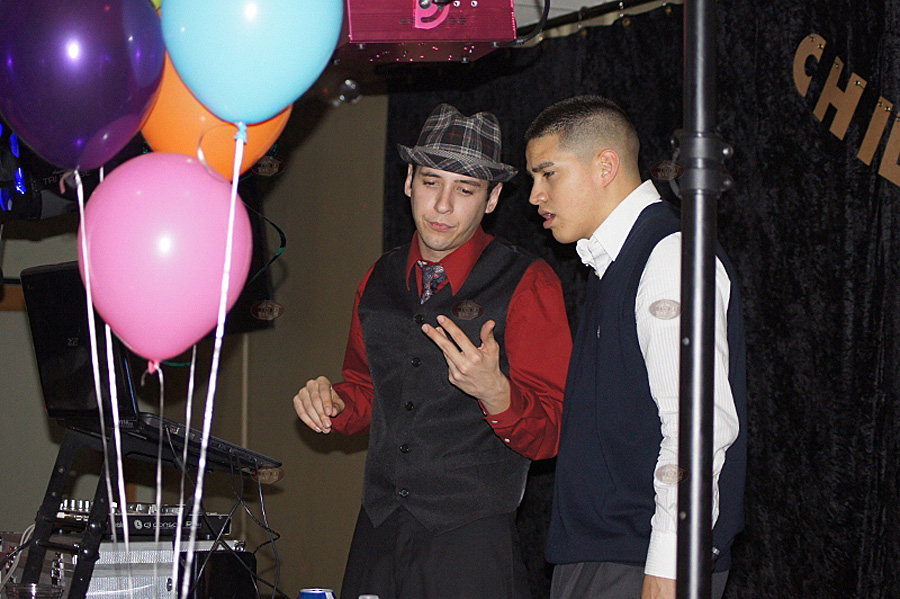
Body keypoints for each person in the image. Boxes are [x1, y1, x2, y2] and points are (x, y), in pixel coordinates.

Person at [293, 103, 572, 599]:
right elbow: (366, 390)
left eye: (464, 189)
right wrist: (332, 403)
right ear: (408, 183)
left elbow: (554, 429)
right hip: (378, 529)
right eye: (430, 182)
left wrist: (496, 393)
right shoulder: (378, 278)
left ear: (492, 198)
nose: (442, 206)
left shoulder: (528, 282)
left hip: (470, 543)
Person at [524, 95, 747, 599]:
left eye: (548, 174)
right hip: (608, 556)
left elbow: (697, 426)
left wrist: (669, 561)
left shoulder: (668, 255)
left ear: (606, 166)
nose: (535, 195)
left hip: (639, 560)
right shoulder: (613, 263)